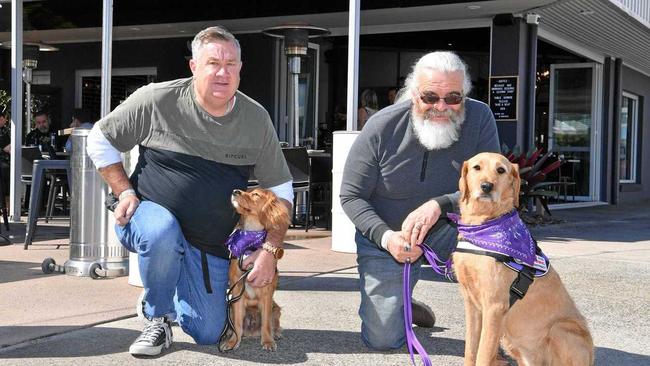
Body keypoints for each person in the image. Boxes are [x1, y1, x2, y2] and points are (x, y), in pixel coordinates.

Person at [86, 26, 293, 357]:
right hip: (151, 220)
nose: (223, 72)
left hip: (207, 242)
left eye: (231, 63)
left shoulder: (255, 119)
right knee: (162, 231)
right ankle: (158, 316)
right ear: (194, 67)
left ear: (241, 68)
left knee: (208, 331)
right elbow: (99, 138)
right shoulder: (155, 99)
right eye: (213, 62)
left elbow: (282, 194)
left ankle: (171, 283)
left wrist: (270, 249)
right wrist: (124, 192)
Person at [340, 51, 500, 350]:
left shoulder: (480, 118)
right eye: (430, 97)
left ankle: (504, 325)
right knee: (383, 339)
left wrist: (439, 204)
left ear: (464, 95)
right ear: (414, 95)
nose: (441, 107)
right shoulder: (381, 125)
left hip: (451, 228)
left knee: (506, 255)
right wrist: (387, 238)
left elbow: (491, 187)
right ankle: (404, 305)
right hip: (388, 235)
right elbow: (351, 195)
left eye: (453, 97)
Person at [0, 109, 11, 202]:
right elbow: (8, 148)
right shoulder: (2, 132)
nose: (5, 121)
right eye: (4, 119)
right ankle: (6, 205)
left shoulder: (4, 130)